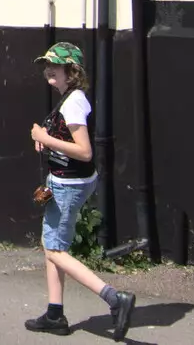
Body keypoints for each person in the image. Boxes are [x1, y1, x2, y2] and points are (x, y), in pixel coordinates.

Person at [25, 42, 136, 340]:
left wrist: (45, 139)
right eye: (46, 64)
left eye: (55, 65)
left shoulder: (72, 102)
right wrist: (47, 138)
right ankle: (54, 314)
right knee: (52, 244)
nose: (48, 69)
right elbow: (69, 141)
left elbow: (85, 151)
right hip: (70, 181)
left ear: (71, 71)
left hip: (67, 185)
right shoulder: (70, 98)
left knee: (55, 249)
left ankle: (114, 298)